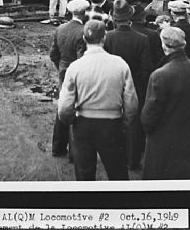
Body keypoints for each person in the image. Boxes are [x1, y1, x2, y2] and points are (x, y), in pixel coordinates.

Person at [58, 20, 138, 180]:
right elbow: (131, 102)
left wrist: (71, 120)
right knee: (117, 173)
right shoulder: (120, 64)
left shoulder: (75, 67)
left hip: (83, 124)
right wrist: (125, 122)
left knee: (84, 174)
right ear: (104, 37)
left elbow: (65, 106)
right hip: (112, 124)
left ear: (84, 38)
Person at [141, 26, 190, 179]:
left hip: (164, 142)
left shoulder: (160, 75)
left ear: (164, 47)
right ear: (184, 44)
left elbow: (148, 117)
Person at [104, 0, 154, 170]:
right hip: (135, 86)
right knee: (133, 122)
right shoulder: (142, 39)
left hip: (113, 85)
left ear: (114, 18)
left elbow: (105, 63)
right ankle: (132, 160)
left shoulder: (108, 37)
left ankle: (113, 155)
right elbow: (146, 68)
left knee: (112, 119)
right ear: (130, 18)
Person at [49, 0, 89, 158]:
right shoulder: (83, 31)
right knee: (78, 111)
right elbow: (81, 59)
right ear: (84, 13)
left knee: (63, 108)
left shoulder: (60, 29)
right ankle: (74, 153)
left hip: (63, 71)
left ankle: (57, 147)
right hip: (78, 74)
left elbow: (53, 54)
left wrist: (61, 67)